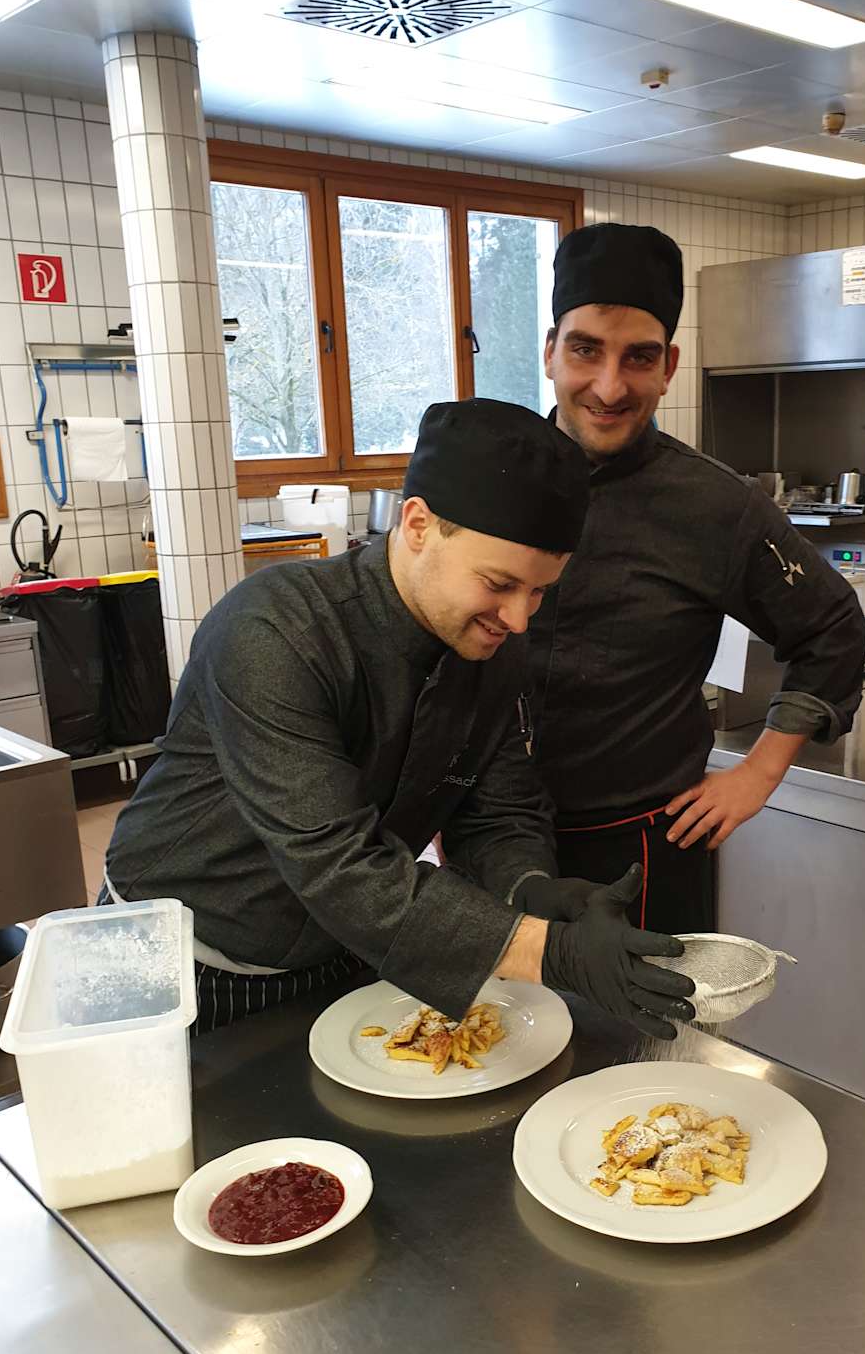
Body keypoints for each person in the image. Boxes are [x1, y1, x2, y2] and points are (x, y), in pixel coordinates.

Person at [104, 398, 694, 1037]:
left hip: (341, 954)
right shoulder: (275, 630)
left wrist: (528, 888)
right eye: (498, 583)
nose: (519, 618)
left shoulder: (490, 648)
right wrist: (545, 952)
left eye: (540, 591)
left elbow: (497, 811)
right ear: (417, 524)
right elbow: (337, 865)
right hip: (180, 966)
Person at [527, 223, 865, 933]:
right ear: (551, 351)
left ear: (669, 366)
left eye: (639, 357)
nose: (610, 386)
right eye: (586, 350)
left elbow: (832, 627)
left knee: (643, 1007)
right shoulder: (496, 477)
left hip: (643, 846)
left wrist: (759, 773)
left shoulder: (715, 505)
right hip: (495, 833)